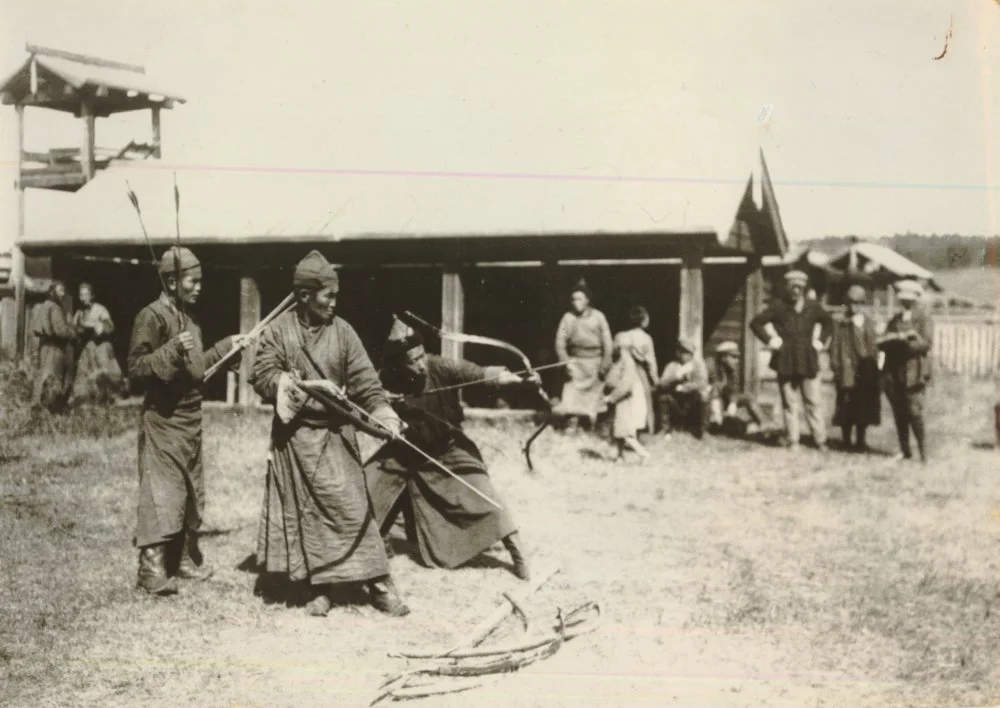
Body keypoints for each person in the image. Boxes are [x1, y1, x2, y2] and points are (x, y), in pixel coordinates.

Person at [250, 250, 409, 618]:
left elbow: (367, 384)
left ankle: (378, 584)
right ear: (305, 296)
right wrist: (285, 383)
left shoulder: (344, 332)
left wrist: (384, 414)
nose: (334, 303)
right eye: (328, 296)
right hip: (294, 440)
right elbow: (262, 374)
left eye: (336, 296)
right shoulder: (278, 330)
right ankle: (318, 587)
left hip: (336, 438)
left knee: (353, 509)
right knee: (305, 517)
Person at [365, 317, 532, 580]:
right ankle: (380, 542)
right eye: (412, 361)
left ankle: (517, 552)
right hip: (404, 452)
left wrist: (518, 380)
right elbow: (364, 394)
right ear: (399, 363)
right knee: (365, 487)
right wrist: (381, 402)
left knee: (485, 497)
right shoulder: (386, 377)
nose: (420, 365)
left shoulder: (440, 366)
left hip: (446, 449)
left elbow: (477, 373)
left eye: (421, 356)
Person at [128, 247, 248, 597]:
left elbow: (197, 370)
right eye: (193, 281)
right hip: (163, 421)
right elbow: (136, 369)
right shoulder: (151, 317)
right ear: (171, 281)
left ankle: (180, 561)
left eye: (199, 281)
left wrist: (227, 347)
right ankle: (150, 571)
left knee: (188, 491)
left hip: (189, 421)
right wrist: (168, 352)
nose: (199, 288)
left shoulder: (190, 320)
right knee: (160, 493)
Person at [750, 270, 833, 451]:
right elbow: (756, 323)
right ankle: (793, 440)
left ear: (804, 288)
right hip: (785, 359)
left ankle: (820, 440)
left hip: (808, 360)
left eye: (799, 287)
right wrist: (771, 340)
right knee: (789, 402)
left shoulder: (813, 306)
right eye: (792, 287)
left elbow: (828, 322)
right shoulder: (778, 306)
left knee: (813, 401)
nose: (796, 291)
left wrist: (820, 342)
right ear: (787, 288)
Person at [880, 279, 933, 463]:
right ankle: (905, 450)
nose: (906, 302)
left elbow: (926, 343)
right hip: (894, 371)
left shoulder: (923, 319)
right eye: (903, 299)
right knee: (899, 411)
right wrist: (893, 339)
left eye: (909, 299)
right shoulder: (895, 319)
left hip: (913, 372)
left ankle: (923, 452)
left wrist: (905, 345)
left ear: (916, 299)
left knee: (914, 412)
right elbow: (883, 341)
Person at [554, 280, 613, 432]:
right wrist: (565, 362)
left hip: (595, 363)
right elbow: (560, 342)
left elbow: (608, 343)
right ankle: (572, 425)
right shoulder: (568, 318)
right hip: (575, 364)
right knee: (571, 396)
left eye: (579, 299)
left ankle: (594, 427)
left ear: (587, 300)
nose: (576, 303)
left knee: (595, 399)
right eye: (573, 299)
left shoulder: (599, 317)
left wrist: (605, 364)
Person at [830, 284, 881, 451]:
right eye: (851, 302)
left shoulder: (868, 322)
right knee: (846, 403)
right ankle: (846, 440)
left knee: (864, 404)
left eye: (858, 303)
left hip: (865, 369)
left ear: (862, 304)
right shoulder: (840, 323)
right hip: (847, 368)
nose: (854, 306)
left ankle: (861, 440)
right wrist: (836, 367)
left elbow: (874, 347)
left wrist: (874, 367)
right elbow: (835, 347)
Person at [70, 282, 125, 405]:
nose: (84, 298)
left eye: (86, 294)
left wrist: (99, 327)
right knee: (84, 372)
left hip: (101, 346)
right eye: (81, 295)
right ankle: (86, 398)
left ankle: (109, 398)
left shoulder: (100, 309)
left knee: (104, 372)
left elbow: (110, 327)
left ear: (92, 296)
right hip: (87, 347)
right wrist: (78, 331)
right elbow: (74, 329)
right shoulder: (79, 313)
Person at [602, 331, 650, 461]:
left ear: (622, 346)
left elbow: (625, 386)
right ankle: (620, 456)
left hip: (624, 403)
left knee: (625, 433)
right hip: (618, 403)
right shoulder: (619, 361)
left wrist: (611, 397)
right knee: (618, 432)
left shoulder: (628, 363)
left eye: (615, 343)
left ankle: (644, 454)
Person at [32, 280, 76, 412]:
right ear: (53, 291)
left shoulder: (46, 305)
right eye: (60, 290)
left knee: (44, 376)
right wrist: (74, 334)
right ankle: (51, 408)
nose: (63, 293)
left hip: (45, 346)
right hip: (54, 347)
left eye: (64, 290)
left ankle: (39, 406)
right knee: (53, 377)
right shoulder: (54, 307)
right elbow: (61, 331)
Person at [706, 341, 766, 435]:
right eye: (733, 357)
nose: (737, 361)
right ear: (723, 357)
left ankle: (764, 425)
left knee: (749, 397)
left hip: (723, 402)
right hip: (708, 404)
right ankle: (716, 422)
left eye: (737, 358)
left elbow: (734, 390)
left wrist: (733, 403)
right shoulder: (710, 365)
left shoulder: (731, 371)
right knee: (715, 388)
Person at [656, 337, 709, 439]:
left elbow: (702, 382)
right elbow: (661, 384)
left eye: (688, 353)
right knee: (663, 397)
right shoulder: (672, 365)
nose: (685, 356)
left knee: (703, 396)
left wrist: (686, 387)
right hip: (676, 400)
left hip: (691, 398)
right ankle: (666, 429)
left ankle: (702, 430)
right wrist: (677, 376)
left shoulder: (698, 365)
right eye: (683, 352)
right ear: (678, 353)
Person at [615, 306, 657, 434]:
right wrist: (655, 379)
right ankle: (636, 432)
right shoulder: (646, 338)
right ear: (643, 320)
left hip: (623, 373)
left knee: (624, 402)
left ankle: (624, 431)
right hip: (638, 373)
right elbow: (651, 361)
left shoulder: (621, 336)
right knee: (639, 401)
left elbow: (615, 353)